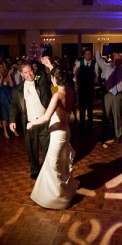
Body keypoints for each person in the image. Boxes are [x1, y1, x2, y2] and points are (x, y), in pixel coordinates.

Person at [27, 62, 79, 209]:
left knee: (52, 164)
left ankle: (57, 199)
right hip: (66, 131)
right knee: (60, 162)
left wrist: (32, 123)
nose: (51, 80)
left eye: (52, 78)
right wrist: (51, 65)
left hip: (58, 134)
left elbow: (45, 118)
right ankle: (59, 191)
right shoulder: (70, 91)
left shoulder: (57, 95)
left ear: (56, 79)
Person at [9, 58, 53, 179]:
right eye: (26, 72)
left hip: (45, 121)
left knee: (47, 148)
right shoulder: (17, 89)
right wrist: (12, 120)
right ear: (22, 74)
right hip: (30, 124)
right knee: (31, 149)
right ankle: (34, 169)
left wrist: (49, 64)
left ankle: (47, 169)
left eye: (30, 71)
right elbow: (13, 106)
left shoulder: (41, 79)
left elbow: (51, 75)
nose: (29, 74)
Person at [95, 42, 122, 143]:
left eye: (119, 59)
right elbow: (99, 60)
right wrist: (97, 49)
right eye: (115, 58)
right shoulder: (107, 66)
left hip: (117, 94)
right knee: (105, 116)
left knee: (117, 115)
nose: (116, 60)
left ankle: (118, 134)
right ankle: (104, 134)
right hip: (108, 94)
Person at [73, 48, 99, 131]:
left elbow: (96, 76)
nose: (88, 55)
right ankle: (82, 125)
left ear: (91, 55)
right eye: (86, 54)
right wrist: (77, 85)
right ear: (84, 55)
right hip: (81, 88)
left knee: (90, 107)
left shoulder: (95, 64)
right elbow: (75, 75)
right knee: (82, 107)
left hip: (90, 88)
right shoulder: (79, 63)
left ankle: (90, 125)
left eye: (89, 54)